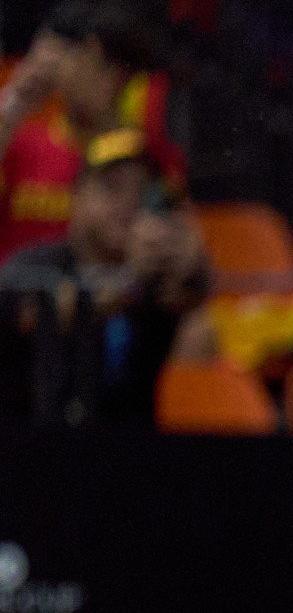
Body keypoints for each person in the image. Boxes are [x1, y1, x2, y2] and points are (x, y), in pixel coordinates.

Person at [0, 127, 208, 427]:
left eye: (142, 192)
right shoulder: (35, 264)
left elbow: (189, 293)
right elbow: (44, 313)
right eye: (112, 187)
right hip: (32, 447)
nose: (128, 202)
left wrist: (192, 258)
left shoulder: (150, 273)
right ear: (78, 195)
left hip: (130, 452)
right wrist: (129, 282)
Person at [0, 0, 184, 262]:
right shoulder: (21, 143)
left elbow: (178, 249)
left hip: (106, 297)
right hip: (21, 295)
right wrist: (15, 102)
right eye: (99, 64)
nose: (111, 83)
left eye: (121, 73)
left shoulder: (143, 160)